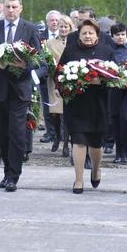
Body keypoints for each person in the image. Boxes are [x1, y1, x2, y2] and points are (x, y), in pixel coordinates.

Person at [0, 0, 46, 192]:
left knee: (16, 133)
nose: (11, 10)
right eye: (8, 7)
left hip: (20, 90)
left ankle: (13, 175)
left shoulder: (30, 29)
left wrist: (25, 65)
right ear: (2, 8)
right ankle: (7, 171)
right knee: (1, 135)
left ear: (21, 8)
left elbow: (40, 61)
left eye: (15, 7)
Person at [58, 19, 116, 194]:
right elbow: (59, 73)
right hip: (77, 103)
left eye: (91, 33)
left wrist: (102, 81)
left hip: (99, 103)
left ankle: (96, 168)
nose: (87, 36)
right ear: (79, 35)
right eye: (84, 33)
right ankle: (78, 179)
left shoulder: (106, 51)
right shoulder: (70, 50)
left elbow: (115, 76)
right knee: (79, 140)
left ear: (97, 34)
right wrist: (69, 83)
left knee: (96, 143)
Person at [109, 23, 127, 165]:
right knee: (115, 121)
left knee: (126, 120)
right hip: (113, 89)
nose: (120, 37)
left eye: (122, 34)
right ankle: (118, 153)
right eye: (117, 35)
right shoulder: (109, 50)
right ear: (112, 36)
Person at [45, 15, 75, 156]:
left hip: (70, 80)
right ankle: (57, 137)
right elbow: (47, 60)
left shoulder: (75, 42)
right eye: (61, 26)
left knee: (67, 114)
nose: (63, 29)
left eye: (66, 26)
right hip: (54, 81)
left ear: (70, 28)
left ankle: (66, 144)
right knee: (55, 113)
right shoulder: (50, 43)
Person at [39, 10, 61, 144]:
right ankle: (50, 132)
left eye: (57, 20)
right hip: (45, 76)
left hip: (61, 76)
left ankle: (61, 133)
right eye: (52, 20)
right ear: (47, 22)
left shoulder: (65, 36)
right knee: (47, 105)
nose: (54, 23)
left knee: (60, 106)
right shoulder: (40, 36)